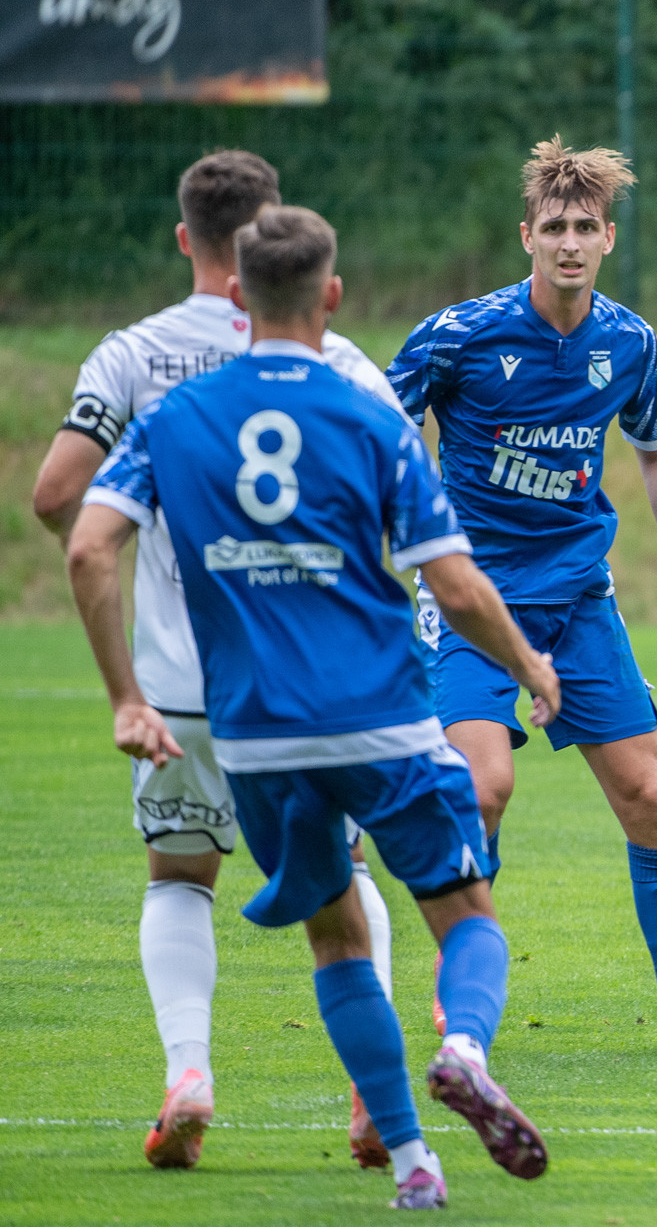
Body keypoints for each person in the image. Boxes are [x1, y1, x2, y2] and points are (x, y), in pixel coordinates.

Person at [68, 205, 557, 1208]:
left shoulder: (173, 419)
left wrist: (125, 695)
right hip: (380, 715)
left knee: (334, 936)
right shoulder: (369, 413)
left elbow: (85, 545)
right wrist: (528, 664)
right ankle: (464, 1048)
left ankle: (415, 1165)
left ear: (236, 294)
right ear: (331, 295)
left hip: (254, 734)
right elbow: (455, 583)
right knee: (466, 914)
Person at [28, 150, 402, 1169]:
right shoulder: (334, 355)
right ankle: (374, 1093)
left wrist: (152, 512)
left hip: (179, 687)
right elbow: (402, 480)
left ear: (184, 237)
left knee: (181, 875)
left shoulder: (135, 356)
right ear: (274, 235)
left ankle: (188, 1072)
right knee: (343, 870)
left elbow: (57, 498)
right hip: (308, 682)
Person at [384, 138, 657, 1057]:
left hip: (578, 599)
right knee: (482, 788)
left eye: (585, 228)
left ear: (608, 238)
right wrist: (400, 532)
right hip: (472, 600)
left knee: (648, 796)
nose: (569, 243)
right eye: (554, 229)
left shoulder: (628, 343)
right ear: (526, 237)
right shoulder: (459, 335)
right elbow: (380, 429)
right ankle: (462, 973)